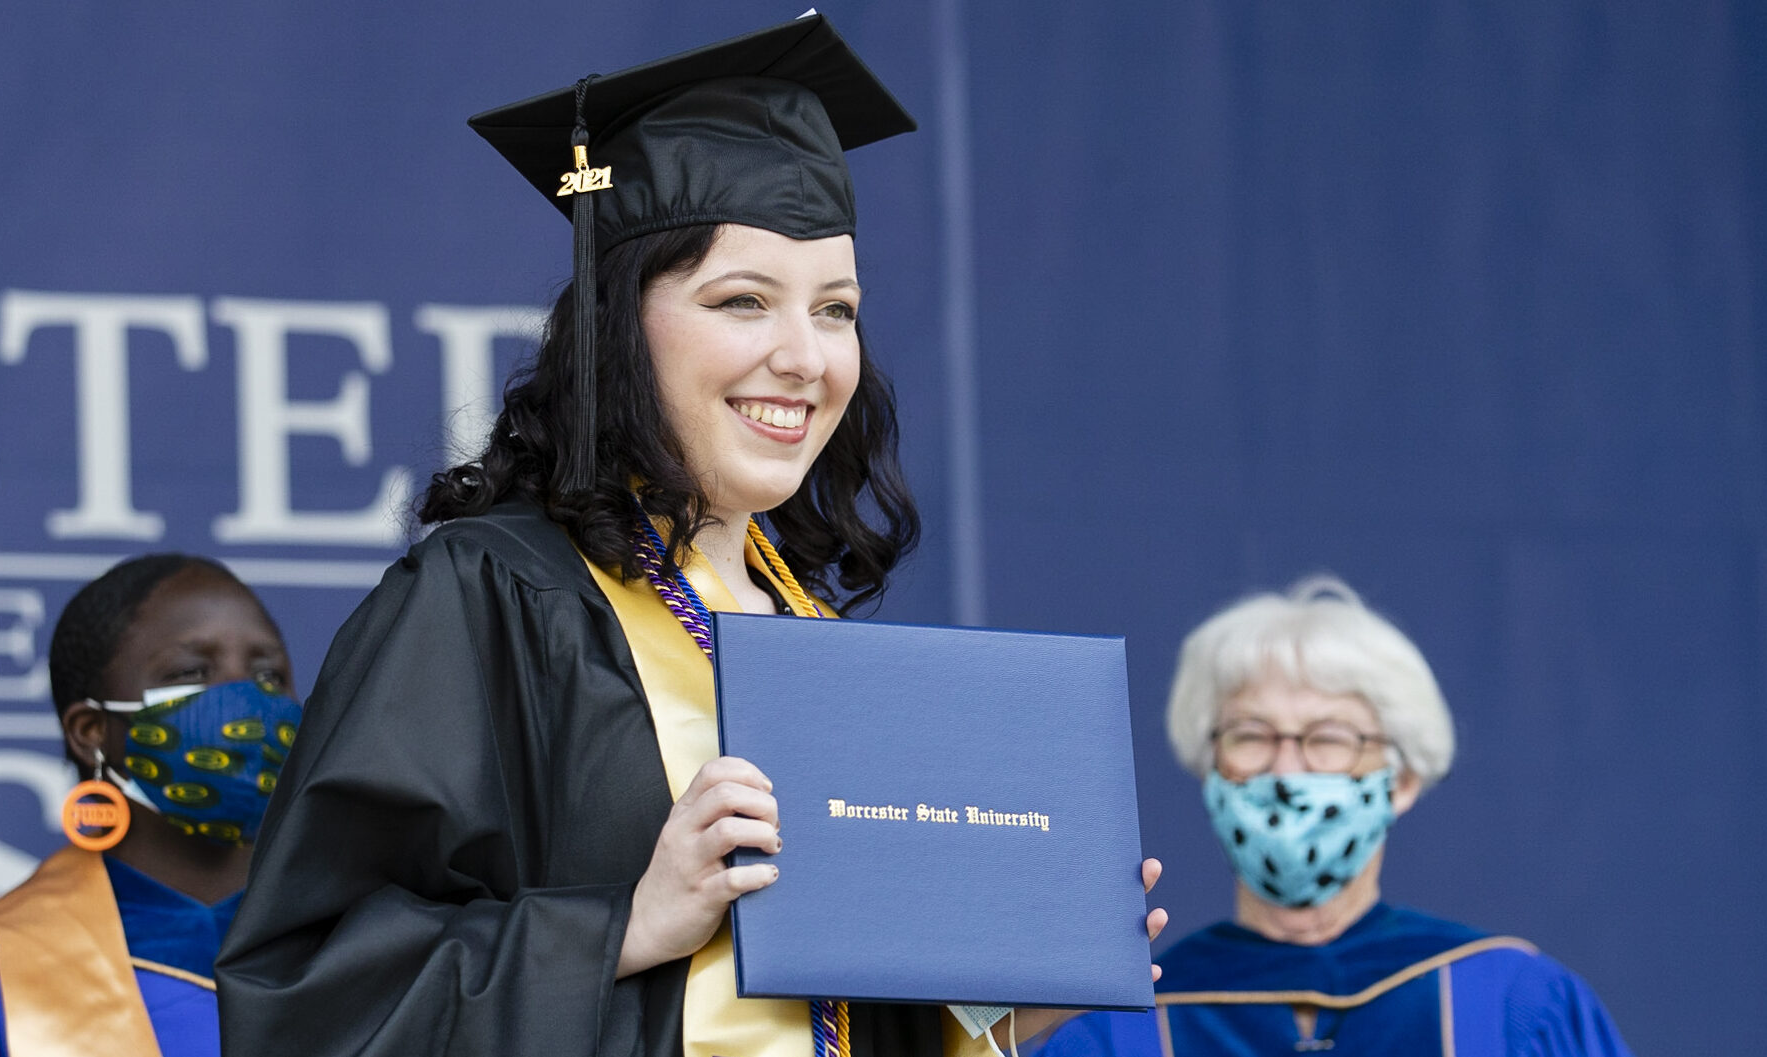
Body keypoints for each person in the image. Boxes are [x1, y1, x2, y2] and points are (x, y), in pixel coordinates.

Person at [216, 15, 1162, 1057]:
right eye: (742, 300)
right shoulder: (485, 600)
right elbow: (301, 1001)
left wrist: (986, 1019)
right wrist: (620, 927)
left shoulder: (809, 630)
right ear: (620, 324)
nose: (803, 357)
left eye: (836, 310)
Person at [1038, 576, 1631, 1057]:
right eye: (1251, 735)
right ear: (1210, 767)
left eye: (1329, 738)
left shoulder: (1510, 1001)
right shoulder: (1123, 1031)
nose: (1287, 770)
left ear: (1400, 779)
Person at [0, 554, 301, 1057]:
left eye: (269, 676)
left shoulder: (357, 956)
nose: (243, 699)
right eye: (190, 672)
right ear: (91, 732)